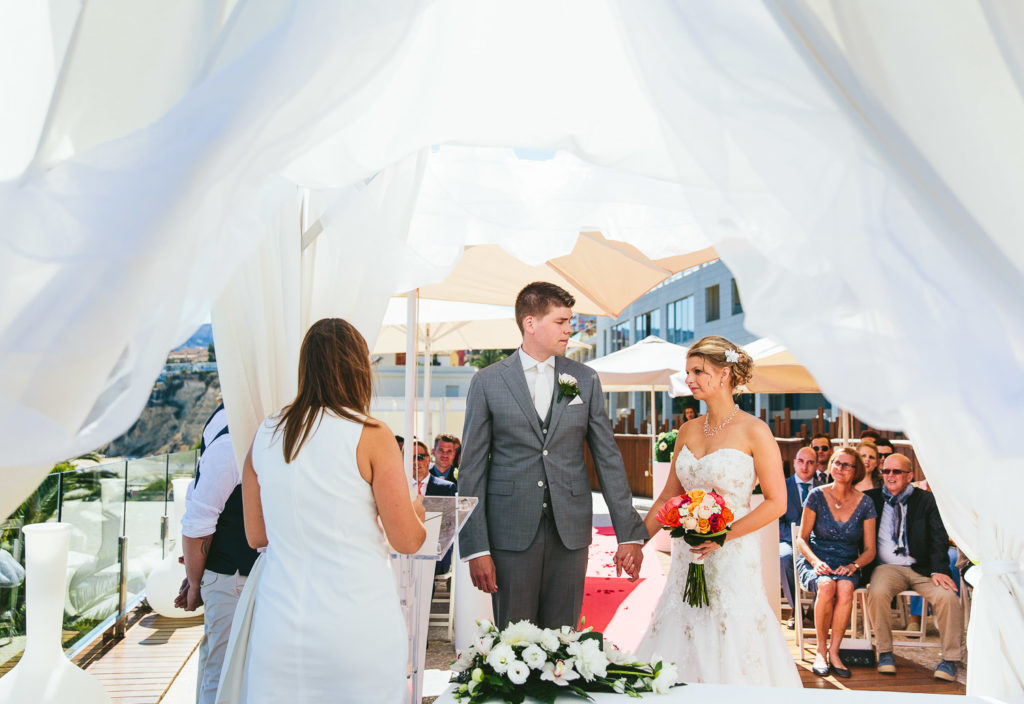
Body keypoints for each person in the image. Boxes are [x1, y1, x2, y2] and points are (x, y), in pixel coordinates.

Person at [240, 318, 426, 703]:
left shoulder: (267, 432)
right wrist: (417, 511)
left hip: (280, 626)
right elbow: (407, 540)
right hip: (356, 625)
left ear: (305, 367)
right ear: (360, 368)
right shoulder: (371, 434)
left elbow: (257, 536)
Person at [459, 281, 647, 630]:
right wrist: (476, 547)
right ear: (531, 323)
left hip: (570, 531)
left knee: (564, 639)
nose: (569, 329)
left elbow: (607, 457)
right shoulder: (487, 382)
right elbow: (470, 470)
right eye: (561, 321)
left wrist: (628, 533)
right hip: (510, 532)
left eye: (569, 321)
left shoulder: (584, 379)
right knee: (515, 639)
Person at [636, 336, 800, 686]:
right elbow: (669, 494)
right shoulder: (688, 429)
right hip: (687, 555)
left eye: (698, 371)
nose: (690, 379)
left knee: (731, 633)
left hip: (732, 555)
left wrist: (724, 535)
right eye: (688, 372)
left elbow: (777, 502)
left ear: (725, 374)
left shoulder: (756, 431)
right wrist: (636, 542)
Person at [177, 403, 259, 704]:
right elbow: (198, 525)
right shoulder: (230, 445)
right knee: (222, 670)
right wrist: (196, 583)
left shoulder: (222, 426)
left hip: (239, 574)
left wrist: (195, 578)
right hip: (233, 578)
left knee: (218, 664)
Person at [864, 453, 963, 681]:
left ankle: (950, 659)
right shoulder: (870, 499)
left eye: (896, 471)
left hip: (923, 568)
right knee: (877, 593)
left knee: (948, 597)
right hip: (887, 568)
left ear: (909, 475)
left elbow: (939, 538)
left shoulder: (926, 500)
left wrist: (939, 569)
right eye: (886, 471)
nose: (890, 476)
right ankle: (885, 652)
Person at [795, 448, 877, 679]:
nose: (840, 469)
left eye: (847, 465)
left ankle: (835, 651)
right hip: (815, 560)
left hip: (847, 563)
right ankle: (820, 651)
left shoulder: (866, 503)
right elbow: (801, 539)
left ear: (856, 471)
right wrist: (815, 561)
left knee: (845, 586)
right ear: (831, 466)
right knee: (827, 586)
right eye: (837, 463)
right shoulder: (816, 496)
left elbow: (870, 550)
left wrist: (854, 566)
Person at [779, 446, 818, 621]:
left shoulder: (823, 489)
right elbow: (777, 521)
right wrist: (796, 538)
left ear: (816, 465)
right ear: (794, 463)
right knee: (784, 557)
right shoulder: (782, 486)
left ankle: (815, 608)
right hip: (788, 540)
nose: (805, 466)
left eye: (810, 463)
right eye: (801, 461)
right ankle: (796, 609)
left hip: (817, 542)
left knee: (830, 558)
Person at [414, 439, 457, 575]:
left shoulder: (446, 488)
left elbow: (450, 526)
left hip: (434, 558)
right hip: (404, 555)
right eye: (410, 457)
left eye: (420, 457)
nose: (416, 462)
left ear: (428, 459)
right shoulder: (397, 488)